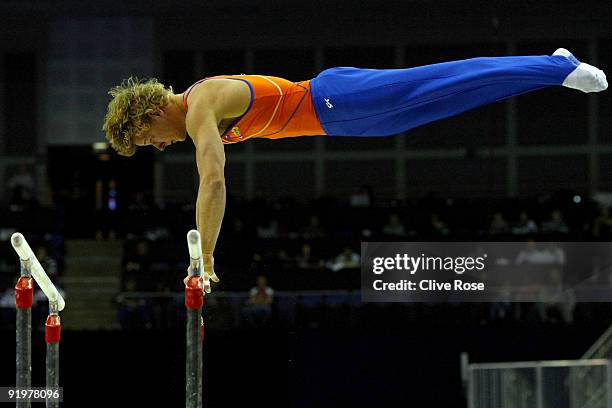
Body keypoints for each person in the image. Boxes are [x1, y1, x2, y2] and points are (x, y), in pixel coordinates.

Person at [103, 48, 608, 294]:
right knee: (449, 97)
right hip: (340, 112)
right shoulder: (198, 103)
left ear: (148, 115)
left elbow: (213, 180)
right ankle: (547, 67)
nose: (160, 145)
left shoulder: (199, 106)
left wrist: (207, 257)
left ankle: (555, 68)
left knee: (443, 84)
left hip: (336, 102)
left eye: (150, 139)